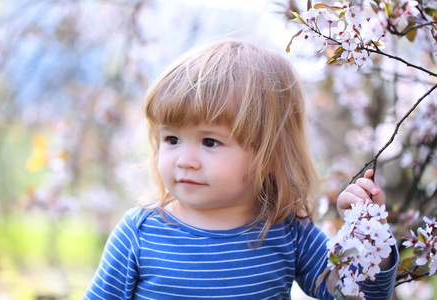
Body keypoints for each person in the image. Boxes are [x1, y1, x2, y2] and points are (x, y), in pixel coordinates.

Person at [83, 39, 398, 299]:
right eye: (172, 138)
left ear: (268, 153)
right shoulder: (140, 234)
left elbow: (350, 294)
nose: (184, 160)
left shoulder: (287, 232)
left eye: (209, 142)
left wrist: (367, 238)